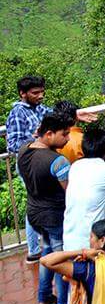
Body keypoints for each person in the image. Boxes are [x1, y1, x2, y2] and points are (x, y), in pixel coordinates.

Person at [17, 111, 73, 304]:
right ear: (48, 134)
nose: (67, 139)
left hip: (34, 213)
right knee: (60, 260)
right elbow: (70, 192)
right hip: (54, 216)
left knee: (46, 254)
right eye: (64, 134)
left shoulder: (24, 151)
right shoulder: (58, 161)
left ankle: (43, 298)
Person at [7, 74, 51, 262]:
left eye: (42, 92)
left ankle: (46, 244)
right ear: (22, 94)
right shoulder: (18, 113)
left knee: (43, 201)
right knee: (36, 203)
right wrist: (35, 139)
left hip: (43, 161)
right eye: (35, 93)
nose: (40, 96)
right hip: (29, 163)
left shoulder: (40, 109)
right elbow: (12, 144)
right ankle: (34, 249)